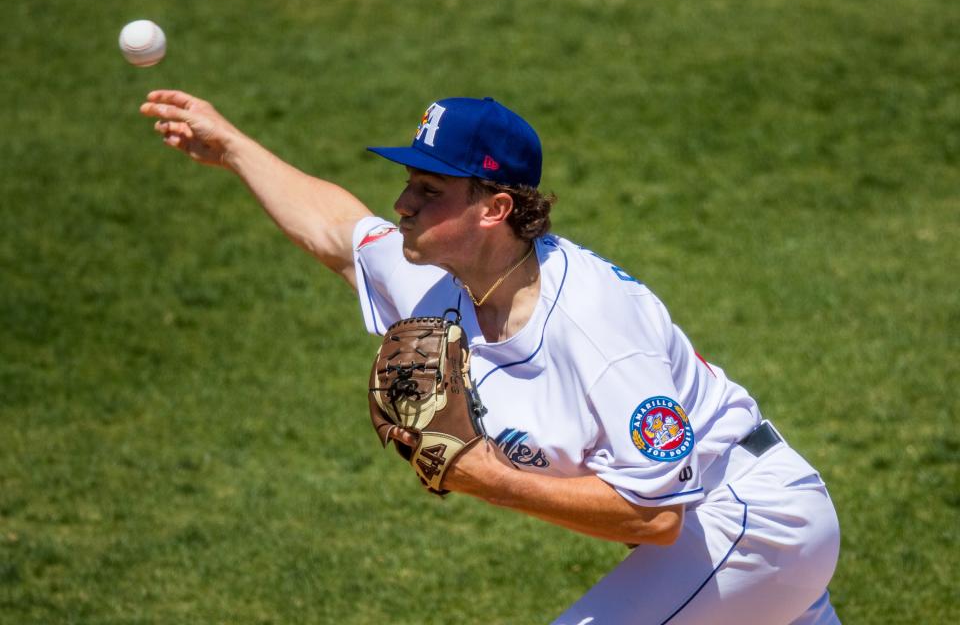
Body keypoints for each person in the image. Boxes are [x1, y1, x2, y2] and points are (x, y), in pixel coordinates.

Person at [140, 90, 841, 624]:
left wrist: (479, 475)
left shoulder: (593, 328)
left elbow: (654, 515)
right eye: (410, 182)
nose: (403, 204)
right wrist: (229, 143)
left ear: (495, 208)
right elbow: (336, 231)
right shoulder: (438, 275)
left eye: (428, 190)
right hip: (707, 531)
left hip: (748, 520)